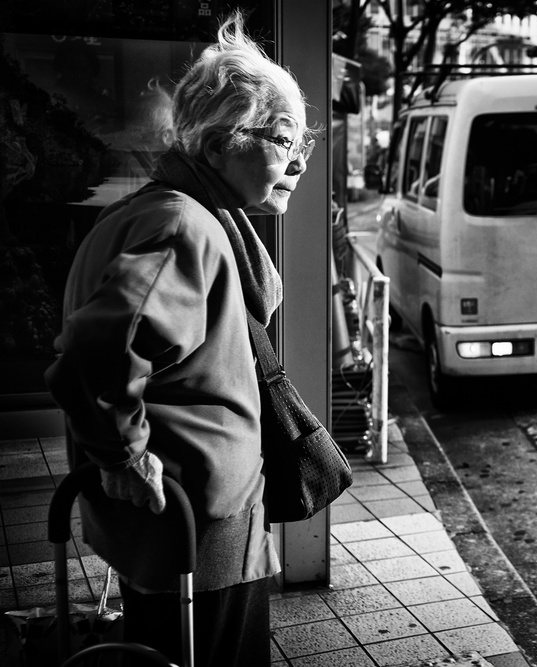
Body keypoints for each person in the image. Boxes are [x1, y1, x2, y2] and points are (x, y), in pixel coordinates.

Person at [44, 11, 315, 666]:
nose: (301, 159)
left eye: (306, 140)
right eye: (282, 138)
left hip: (182, 528)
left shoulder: (153, 212)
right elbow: (96, 352)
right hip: (195, 535)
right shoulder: (183, 227)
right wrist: (125, 456)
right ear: (218, 143)